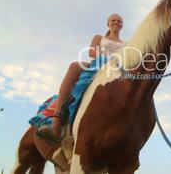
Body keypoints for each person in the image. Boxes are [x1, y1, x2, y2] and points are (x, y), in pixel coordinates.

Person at [36, 14, 125, 143]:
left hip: (115, 69)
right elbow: (91, 52)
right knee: (74, 67)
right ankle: (56, 123)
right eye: (113, 20)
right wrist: (109, 58)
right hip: (98, 65)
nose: (116, 23)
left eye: (119, 21)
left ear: (122, 25)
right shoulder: (99, 37)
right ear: (108, 23)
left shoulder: (125, 44)